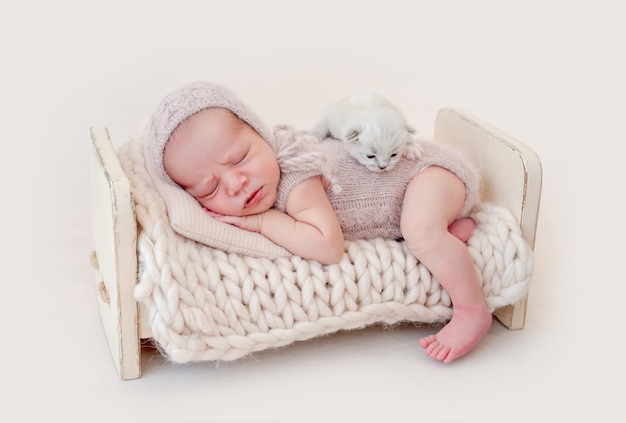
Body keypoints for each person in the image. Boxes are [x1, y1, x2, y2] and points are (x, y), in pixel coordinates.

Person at [145, 81, 492, 364]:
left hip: (429, 174)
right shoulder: (264, 174)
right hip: (419, 192)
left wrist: (265, 223)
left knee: (420, 231)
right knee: (421, 230)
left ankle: (470, 310)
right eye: (211, 188)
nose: (236, 184)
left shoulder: (298, 175)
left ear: (262, 134)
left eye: (240, 158)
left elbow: (328, 247)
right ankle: (446, 233)